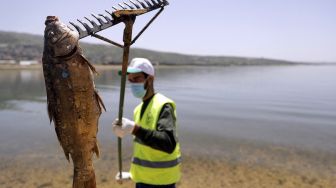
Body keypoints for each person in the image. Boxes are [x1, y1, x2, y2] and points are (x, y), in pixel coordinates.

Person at [112, 58, 181, 188]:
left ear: (149, 79)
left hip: (162, 182)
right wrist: (132, 174)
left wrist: (134, 129)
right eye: (130, 80)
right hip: (143, 180)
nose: (132, 84)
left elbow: (168, 143)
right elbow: (144, 149)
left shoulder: (163, 105)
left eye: (136, 79)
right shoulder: (138, 110)